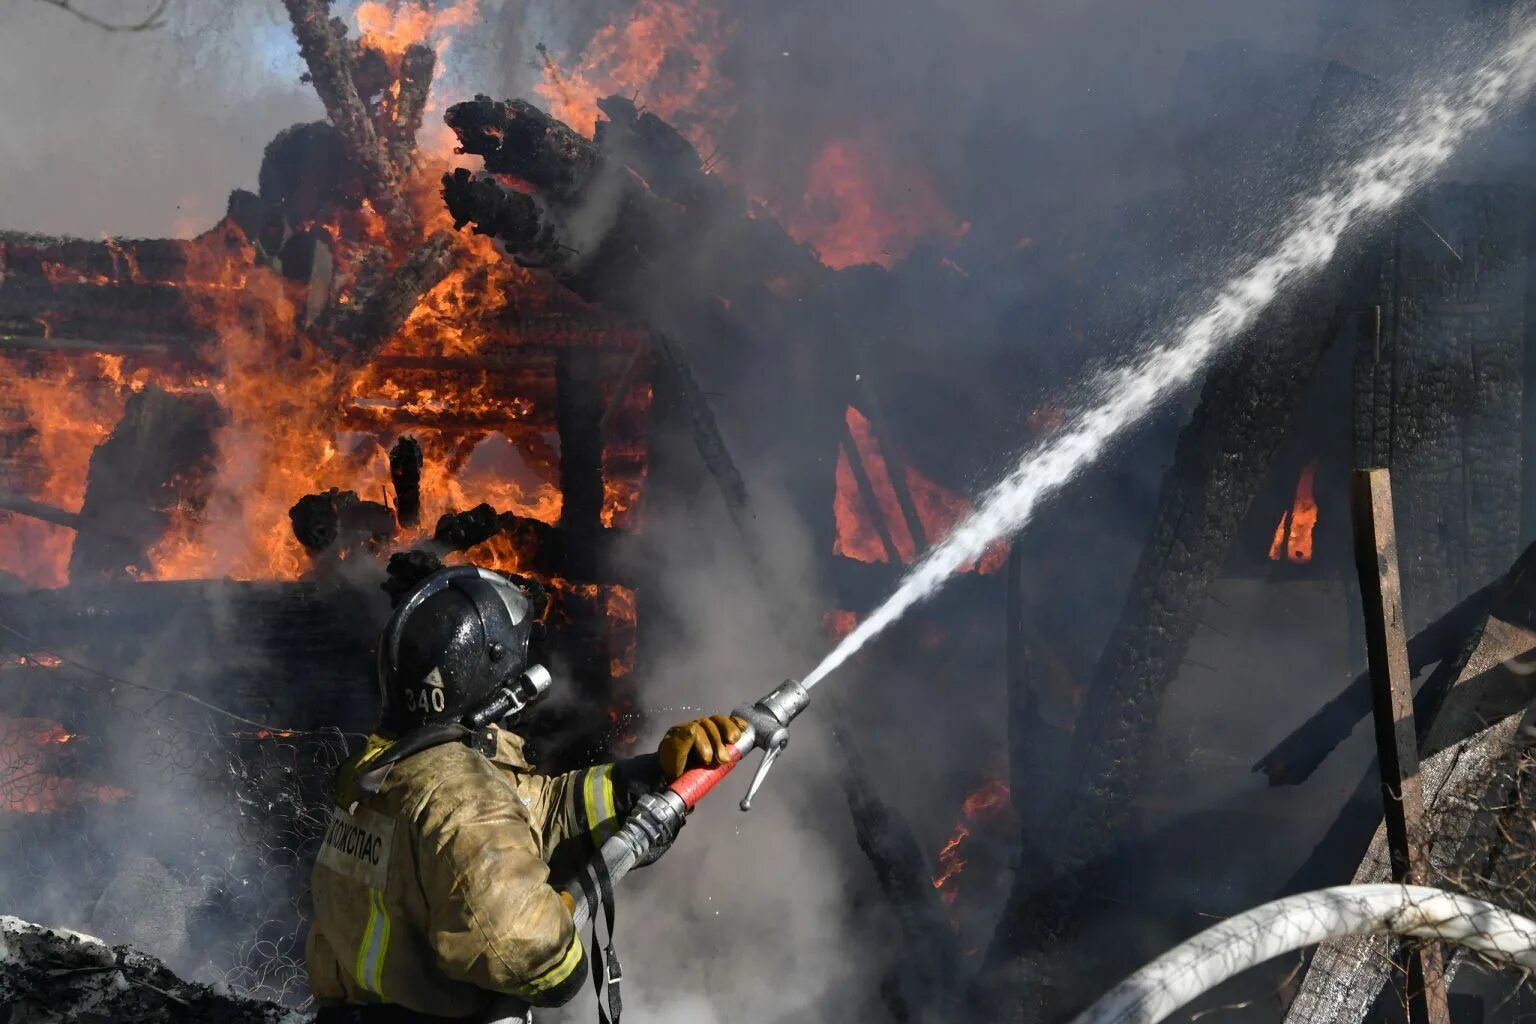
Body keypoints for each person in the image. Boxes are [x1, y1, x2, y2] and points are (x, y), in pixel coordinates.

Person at [305, 565, 743, 1021]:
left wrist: (656, 774)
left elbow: (539, 810)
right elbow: (534, 959)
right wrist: (568, 908)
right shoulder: (461, 797)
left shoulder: (387, 772)